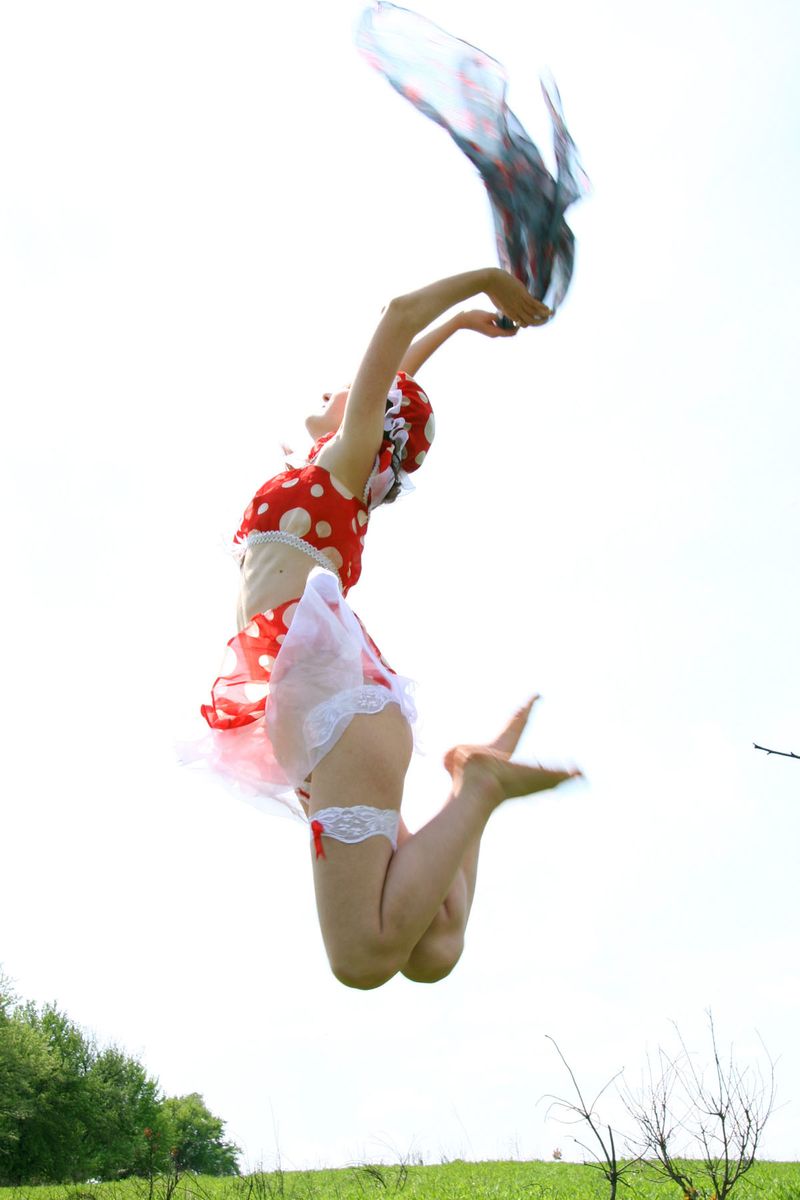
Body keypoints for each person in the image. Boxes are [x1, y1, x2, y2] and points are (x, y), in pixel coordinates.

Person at [195, 266, 581, 989]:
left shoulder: (344, 462)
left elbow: (396, 316)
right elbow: (400, 368)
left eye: (353, 395)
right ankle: (473, 779)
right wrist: (460, 329)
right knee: (434, 948)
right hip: (330, 723)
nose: (333, 391)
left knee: (362, 961)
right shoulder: (336, 470)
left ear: (373, 421)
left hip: (336, 713)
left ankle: (481, 788)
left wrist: (487, 282)